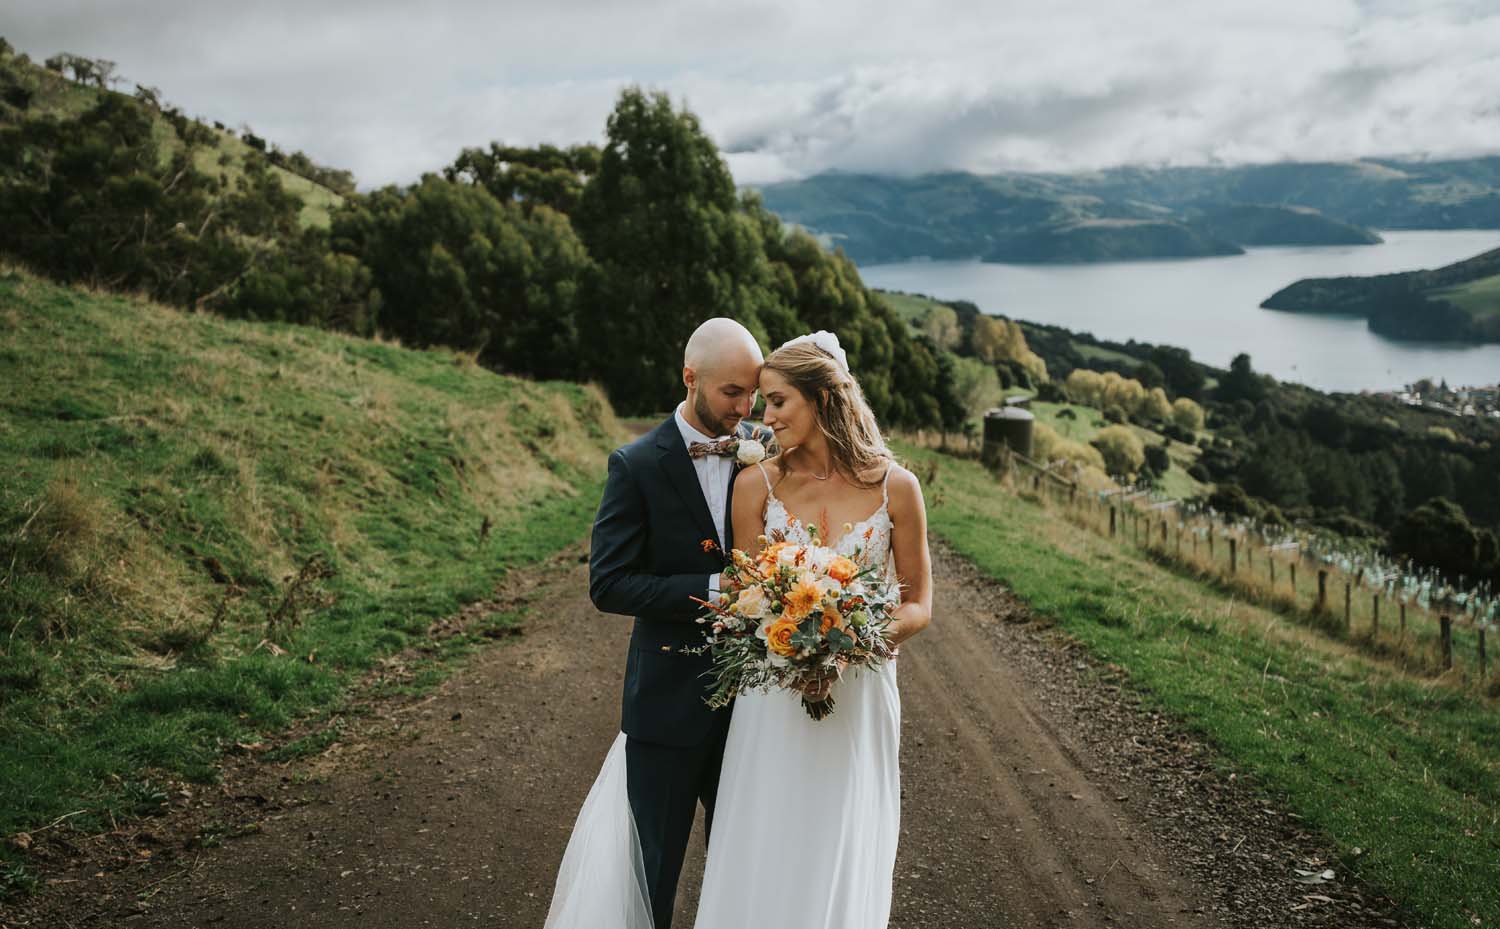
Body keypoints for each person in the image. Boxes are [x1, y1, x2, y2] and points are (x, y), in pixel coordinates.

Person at [689, 331, 932, 929]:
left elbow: (920, 602)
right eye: (762, 402)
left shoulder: (896, 488)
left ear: (822, 400)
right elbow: (747, 597)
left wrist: (857, 639)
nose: (762, 418)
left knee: (842, 836)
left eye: (776, 402)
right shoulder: (757, 486)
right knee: (768, 833)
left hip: (862, 693)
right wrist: (787, 632)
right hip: (773, 695)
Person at [544, 317, 766, 929]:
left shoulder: (767, 452)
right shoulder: (636, 464)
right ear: (690, 378)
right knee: (653, 870)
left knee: (746, 867)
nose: (746, 409)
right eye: (731, 393)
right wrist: (714, 590)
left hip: (755, 706)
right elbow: (608, 583)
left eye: (753, 394)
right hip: (667, 703)